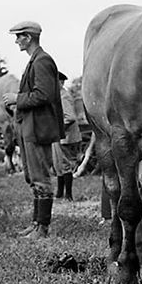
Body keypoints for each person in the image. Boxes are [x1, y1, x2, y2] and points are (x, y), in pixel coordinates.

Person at [2, 21, 64, 237]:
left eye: (19, 36)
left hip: (38, 128)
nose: (17, 41)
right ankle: (37, 223)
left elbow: (43, 95)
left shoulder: (42, 61)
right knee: (32, 177)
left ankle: (42, 227)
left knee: (41, 178)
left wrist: (16, 98)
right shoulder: (35, 60)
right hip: (30, 127)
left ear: (28, 37)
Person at [51, 72, 81, 201]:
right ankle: (60, 193)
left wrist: (56, 129)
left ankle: (68, 195)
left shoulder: (63, 97)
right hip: (63, 136)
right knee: (60, 164)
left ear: (60, 82)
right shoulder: (59, 96)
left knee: (65, 165)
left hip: (66, 137)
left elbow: (70, 118)